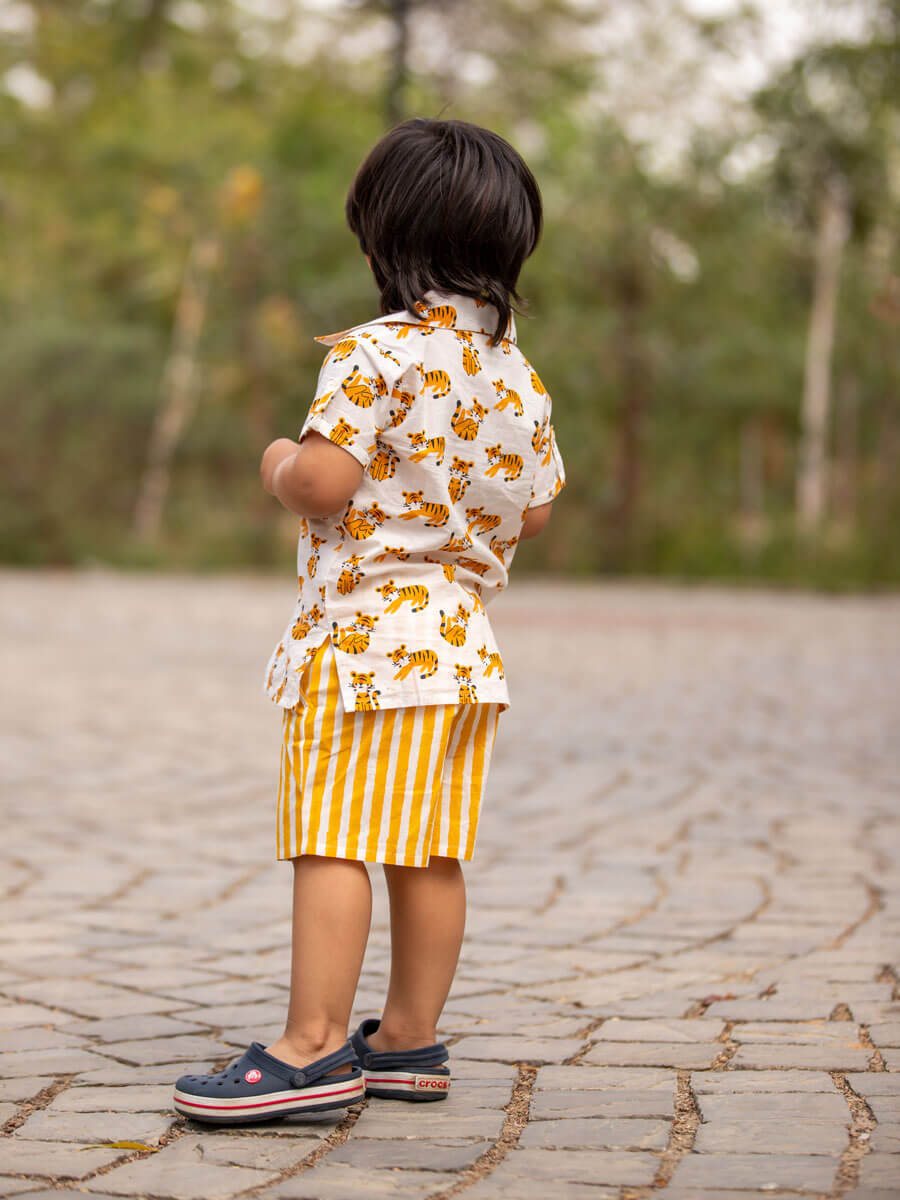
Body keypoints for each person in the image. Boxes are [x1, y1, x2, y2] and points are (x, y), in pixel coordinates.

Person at [173, 117, 565, 1123]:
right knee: (428, 847)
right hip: (461, 648)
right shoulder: (518, 375)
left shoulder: (374, 354)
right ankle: (406, 1040)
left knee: (334, 836)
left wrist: (277, 461)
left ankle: (309, 1049)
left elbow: (323, 481)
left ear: (381, 244)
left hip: (365, 646)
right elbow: (536, 510)